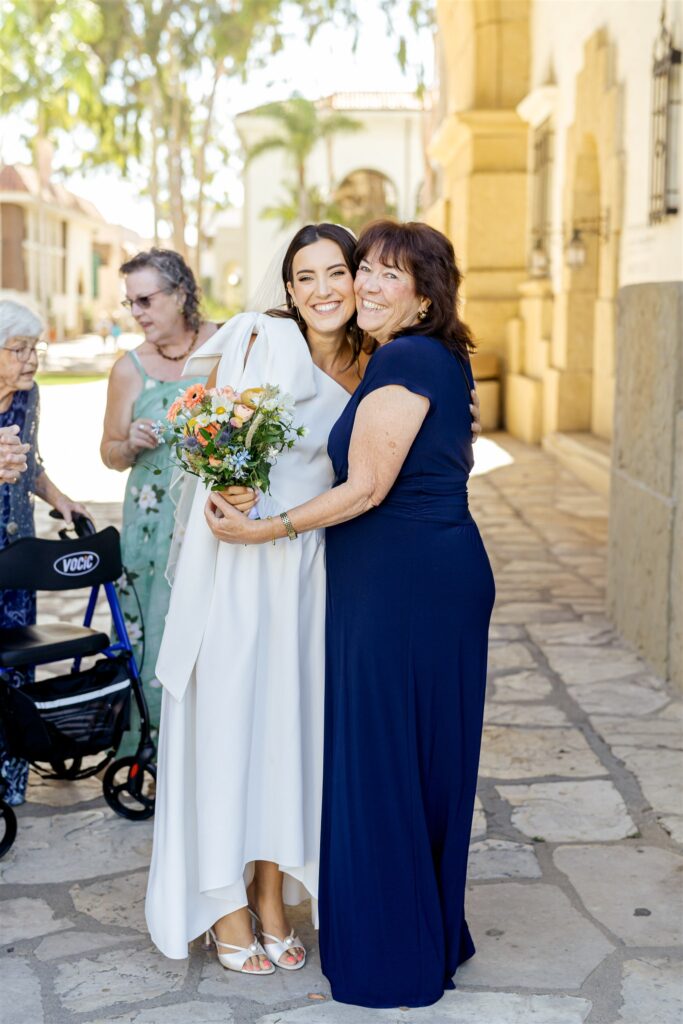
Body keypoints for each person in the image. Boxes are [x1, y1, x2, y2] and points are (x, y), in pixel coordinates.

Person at [204, 220, 495, 1008]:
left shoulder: (403, 357)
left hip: (406, 587)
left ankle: (395, 952)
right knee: (416, 761)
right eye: (361, 269)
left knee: (386, 762)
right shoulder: (429, 355)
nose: (363, 285)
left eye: (384, 276)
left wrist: (263, 529)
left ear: (425, 293)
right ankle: (427, 932)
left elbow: (365, 487)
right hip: (419, 579)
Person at [146, 223, 370, 974]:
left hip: (310, 568)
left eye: (334, 272)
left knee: (288, 732)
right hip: (243, 564)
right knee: (230, 726)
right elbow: (216, 446)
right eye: (303, 278)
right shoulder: (260, 341)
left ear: (357, 276)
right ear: (287, 290)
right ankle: (224, 901)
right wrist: (227, 483)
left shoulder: (377, 363)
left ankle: (272, 895)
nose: (321, 291)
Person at [100, 249, 221, 751]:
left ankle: (207, 747)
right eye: (131, 303)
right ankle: (144, 747)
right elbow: (108, 452)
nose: (138, 313)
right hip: (149, 532)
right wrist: (130, 443)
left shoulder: (228, 346)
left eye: (146, 299)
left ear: (181, 294)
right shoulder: (128, 369)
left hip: (214, 522)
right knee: (149, 626)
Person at [0, 300, 88, 805]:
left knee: (15, 661)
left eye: (36, 348)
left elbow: (30, 464)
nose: (31, 359)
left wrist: (61, 500)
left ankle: (11, 775)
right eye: (19, 349)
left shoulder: (28, 399)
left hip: (17, 553)